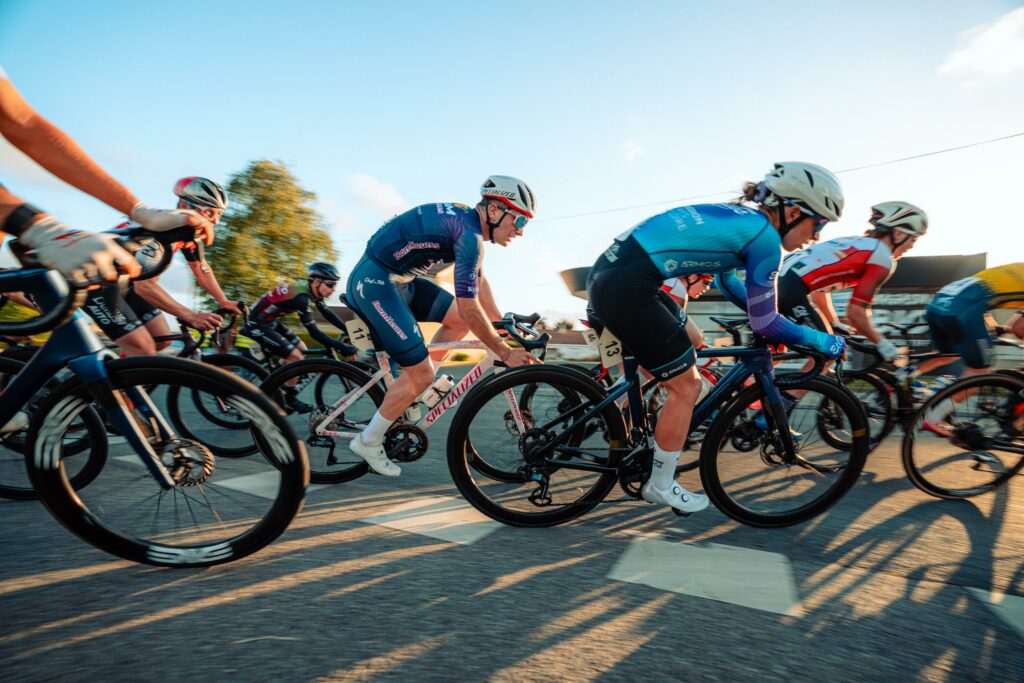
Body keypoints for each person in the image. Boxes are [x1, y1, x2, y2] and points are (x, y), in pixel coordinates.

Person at [588, 162, 847, 514]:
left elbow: (729, 284)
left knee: (676, 360)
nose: (816, 236)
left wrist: (774, 322)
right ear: (791, 209)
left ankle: (642, 443)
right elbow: (766, 322)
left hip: (614, 276)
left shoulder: (745, 221)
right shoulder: (766, 239)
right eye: (818, 223)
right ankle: (660, 484)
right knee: (687, 386)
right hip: (630, 287)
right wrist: (823, 341)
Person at [0, 64, 208, 433]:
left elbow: (25, 123)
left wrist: (136, 207)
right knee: (141, 347)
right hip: (92, 276)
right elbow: (141, 284)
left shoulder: (177, 241)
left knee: (150, 344)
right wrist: (39, 227)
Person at [346, 175, 540, 476]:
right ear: (494, 211)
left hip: (403, 280)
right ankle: (368, 440)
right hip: (376, 282)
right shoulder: (469, 236)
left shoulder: (471, 228)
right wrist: (503, 350)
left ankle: (417, 390)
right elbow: (469, 303)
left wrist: (498, 325)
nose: (520, 231)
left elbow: (479, 281)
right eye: (519, 221)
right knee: (420, 373)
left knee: (457, 323)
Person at [82, 177, 239, 356]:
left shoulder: (186, 234)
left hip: (125, 284)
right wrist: (191, 315)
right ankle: (107, 381)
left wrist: (223, 301)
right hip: (96, 282)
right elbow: (145, 286)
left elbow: (201, 269)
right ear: (186, 206)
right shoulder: (162, 232)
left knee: (163, 338)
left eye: (219, 214)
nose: (216, 222)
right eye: (210, 213)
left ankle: (120, 370)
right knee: (143, 348)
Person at [776, 201, 927, 376]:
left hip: (773, 283)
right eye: (914, 239)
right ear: (899, 233)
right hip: (789, 290)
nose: (913, 245)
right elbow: (855, 313)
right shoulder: (881, 257)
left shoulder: (857, 243)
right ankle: (783, 403)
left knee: (772, 357)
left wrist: (833, 322)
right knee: (828, 352)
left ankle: (746, 395)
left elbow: (819, 291)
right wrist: (881, 343)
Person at [920, 262, 1024, 434]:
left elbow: (1008, 321)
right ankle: (934, 417)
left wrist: (998, 329)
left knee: (947, 356)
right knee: (979, 374)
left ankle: (917, 383)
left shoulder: (1018, 268)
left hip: (939, 304)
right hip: (964, 310)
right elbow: (1020, 329)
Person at [243, 261, 356, 413]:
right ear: (316, 282)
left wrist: (348, 330)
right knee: (295, 358)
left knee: (302, 350)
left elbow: (328, 313)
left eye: (335, 285)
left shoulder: (311, 292)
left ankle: (280, 383)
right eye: (330, 285)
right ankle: (288, 399)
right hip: (257, 324)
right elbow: (314, 332)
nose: (333, 289)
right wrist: (341, 347)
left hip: (270, 321)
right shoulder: (302, 297)